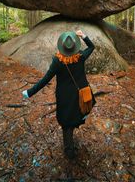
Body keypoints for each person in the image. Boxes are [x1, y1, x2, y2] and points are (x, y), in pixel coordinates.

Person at [22, 29, 95, 159]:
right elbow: (91, 46)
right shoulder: (81, 57)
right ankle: (73, 134)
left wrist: (30, 92)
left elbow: (45, 80)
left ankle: (69, 152)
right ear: (75, 46)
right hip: (81, 95)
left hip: (65, 98)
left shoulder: (57, 61)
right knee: (79, 113)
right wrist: (83, 36)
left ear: (62, 46)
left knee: (66, 123)